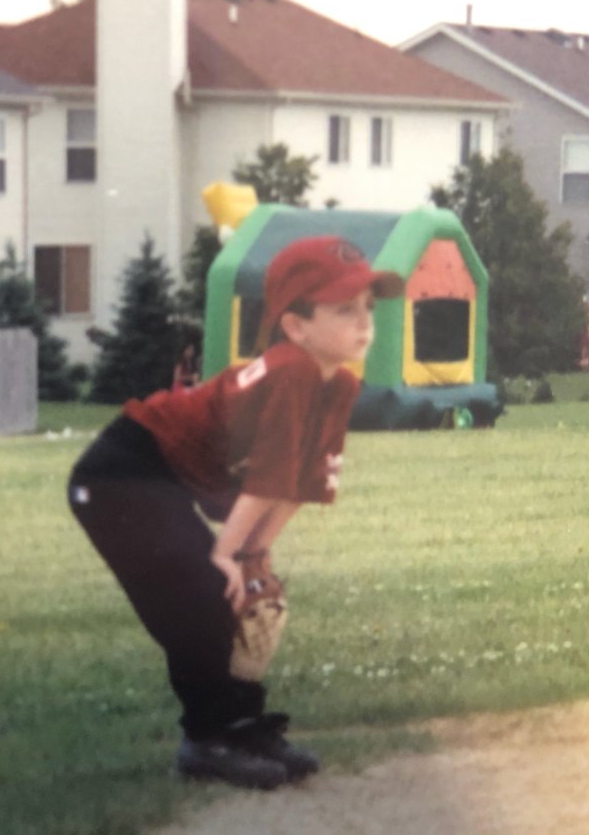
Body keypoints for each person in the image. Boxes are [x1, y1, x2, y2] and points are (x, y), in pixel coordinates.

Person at [67, 235, 403, 790]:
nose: (364, 321)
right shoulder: (292, 370)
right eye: (344, 308)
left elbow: (301, 484)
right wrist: (229, 553)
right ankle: (206, 739)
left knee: (237, 595)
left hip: (161, 476)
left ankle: (240, 727)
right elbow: (270, 475)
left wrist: (255, 555)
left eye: (368, 306)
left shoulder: (339, 382)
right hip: (120, 472)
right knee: (203, 595)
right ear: (295, 327)